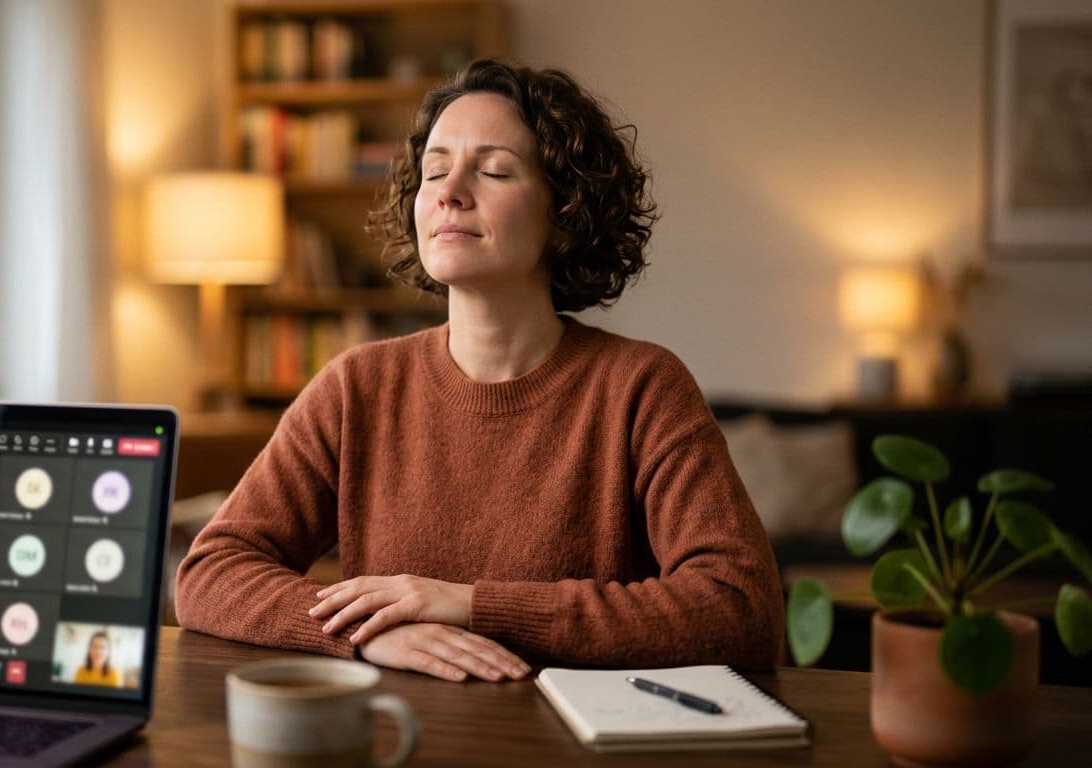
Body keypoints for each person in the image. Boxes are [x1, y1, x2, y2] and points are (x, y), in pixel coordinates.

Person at [177, 59, 784, 683]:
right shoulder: (356, 386)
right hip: (400, 737)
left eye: (493, 170)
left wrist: (471, 605)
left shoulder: (642, 387)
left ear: (566, 214)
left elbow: (741, 610)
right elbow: (211, 572)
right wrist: (369, 633)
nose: (449, 191)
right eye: (434, 170)